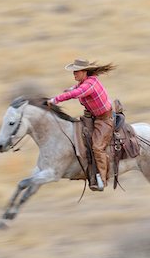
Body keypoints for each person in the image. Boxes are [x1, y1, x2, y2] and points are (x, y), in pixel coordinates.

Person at [48, 59, 115, 190]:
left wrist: (56, 99)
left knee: (97, 147)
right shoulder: (86, 82)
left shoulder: (89, 85)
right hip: (92, 117)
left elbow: (77, 93)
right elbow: (77, 89)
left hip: (104, 119)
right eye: (73, 71)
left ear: (84, 71)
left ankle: (102, 179)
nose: (74, 74)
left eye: (76, 71)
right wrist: (71, 88)